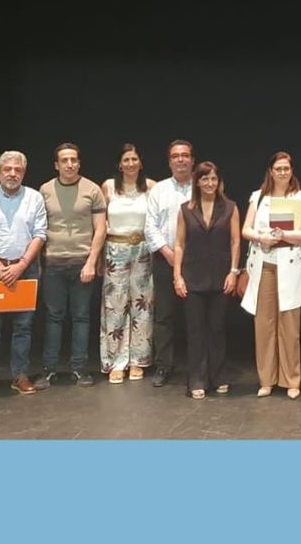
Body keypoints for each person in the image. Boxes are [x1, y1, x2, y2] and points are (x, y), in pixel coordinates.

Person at [0, 150, 47, 398]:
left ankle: (20, 375)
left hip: (26, 269)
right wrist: (0, 268)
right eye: (8, 169)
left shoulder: (34, 198)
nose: (12, 173)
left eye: (18, 170)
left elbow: (40, 234)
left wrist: (21, 265)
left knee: (23, 325)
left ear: (24, 173)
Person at [240, 151, 301, 399]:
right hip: (265, 264)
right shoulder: (259, 197)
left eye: (286, 168)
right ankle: (267, 379)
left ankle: (291, 379)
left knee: (289, 325)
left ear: (291, 171)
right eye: (278, 168)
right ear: (271, 171)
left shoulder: (300, 198)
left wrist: (283, 235)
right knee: (264, 325)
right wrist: (261, 237)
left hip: (290, 264)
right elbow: (245, 229)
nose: (282, 172)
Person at [34, 143, 106, 388]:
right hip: (53, 263)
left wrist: (91, 262)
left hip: (81, 263)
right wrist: (40, 263)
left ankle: (79, 368)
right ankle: (49, 369)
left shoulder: (92, 189)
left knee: (81, 317)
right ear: (56, 165)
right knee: (53, 317)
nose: (69, 164)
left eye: (73, 160)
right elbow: (38, 228)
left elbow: (100, 229)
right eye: (64, 160)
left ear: (79, 163)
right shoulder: (45, 190)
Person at [174, 161, 241, 399]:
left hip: (221, 278)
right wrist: (177, 276)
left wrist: (233, 272)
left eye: (213, 179)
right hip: (192, 278)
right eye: (205, 179)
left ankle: (219, 376)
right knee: (195, 331)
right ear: (197, 182)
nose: (209, 183)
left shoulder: (230, 207)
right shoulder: (185, 209)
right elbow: (179, 244)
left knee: (217, 329)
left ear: (219, 181)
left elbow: (235, 242)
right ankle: (197, 379)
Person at [100, 143, 156, 382]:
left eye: (134, 159)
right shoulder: (108, 187)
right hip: (116, 249)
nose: (131, 163)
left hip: (143, 249)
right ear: (119, 164)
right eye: (126, 160)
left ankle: (138, 360)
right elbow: (99, 222)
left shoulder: (151, 187)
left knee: (143, 306)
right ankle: (116, 361)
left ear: (140, 162)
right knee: (115, 306)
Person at [145, 140, 195, 387]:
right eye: (176, 156)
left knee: (196, 315)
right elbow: (150, 226)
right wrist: (168, 253)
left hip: (196, 261)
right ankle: (164, 365)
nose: (180, 159)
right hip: (166, 259)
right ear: (169, 161)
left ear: (192, 160)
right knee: (164, 315)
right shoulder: (159, 190)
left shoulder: (203, 187)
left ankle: (198, 366)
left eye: (185, 155)